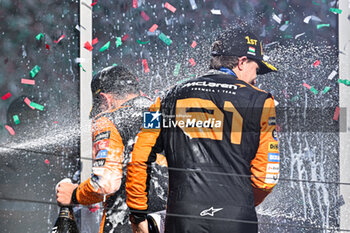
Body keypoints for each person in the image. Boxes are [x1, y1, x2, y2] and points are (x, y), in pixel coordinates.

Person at [126, 27, 280, 233]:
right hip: (236, 220)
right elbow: (266, 179)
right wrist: (236, 205)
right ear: (242, 62)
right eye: (257, 69)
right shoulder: (262, 101)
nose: (256, 77)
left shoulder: (164, 98)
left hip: (182, 219)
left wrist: (137, 214)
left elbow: (139, 156)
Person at [56, 66, 156, 233]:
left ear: (104, 100)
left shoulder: (109, 120)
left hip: (126, 223)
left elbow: (106, 183)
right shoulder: (162, 113)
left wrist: (73, 194)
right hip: (169, 220)